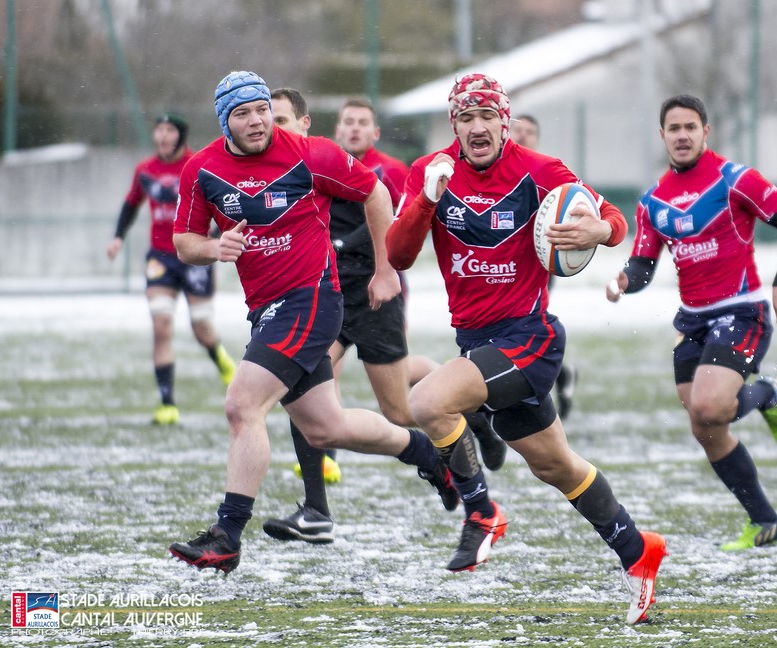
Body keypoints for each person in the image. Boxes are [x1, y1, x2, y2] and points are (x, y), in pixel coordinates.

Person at [386, 73, 666, 625]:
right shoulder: (430, 172)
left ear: (504, 120)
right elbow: (397, 255)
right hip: (478, 342)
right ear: (455, 126)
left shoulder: (540, 171)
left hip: (528, 338)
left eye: (486, 115)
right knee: (556, 465)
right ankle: (640, 552)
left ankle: (482, 512)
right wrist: (425, 200)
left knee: (425, 402)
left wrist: (597, 234)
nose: (476, 127)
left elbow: (613, 220)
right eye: (465, 118)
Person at [168, 71, 458, 573]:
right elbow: (184, 241)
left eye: (262, 108)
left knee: (242, 405)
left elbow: (375, 193)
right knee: (327, 427)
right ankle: (428, 456)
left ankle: (227, 535)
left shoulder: (310, 152)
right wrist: (215, 248)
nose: (257, 120)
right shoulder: (202, 170)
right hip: (266, 310)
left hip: (311, 300)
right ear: (225, 122)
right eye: (243, 113)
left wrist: (387, 270)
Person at [605, 94, 777, 551]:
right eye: (673, 128)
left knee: (712, 407)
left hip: (742, 312)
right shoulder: (652, 201)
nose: (681, 135)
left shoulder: (736, 180)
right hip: (692, 321)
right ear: (662, 136)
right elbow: (643, 265)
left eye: (690, 127)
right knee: (704, 426)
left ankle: (765, 393)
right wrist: (624, 279)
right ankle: (765, 522)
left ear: (705, 132)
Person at [106, 112, 236, 425]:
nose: (163, 136)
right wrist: (117, 238)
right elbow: (130, 205)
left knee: (201, 328)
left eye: (169, 130)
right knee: (161, 327)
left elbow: (221, 205)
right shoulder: (145, 170)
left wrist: (216, 239)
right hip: (160, 258)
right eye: (159, 130)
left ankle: (220, 359)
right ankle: (167, 404)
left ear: (181, 134)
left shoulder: (200, 164)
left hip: (194, 255)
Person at [511, 113, 578, 419]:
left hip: (536, 264)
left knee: (526, 323)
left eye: (529, 132)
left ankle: (533, 395)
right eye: (517, 130)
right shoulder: (495, 173)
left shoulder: (544, 176)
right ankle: (562, 375)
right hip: (495, 267)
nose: (522, 136)